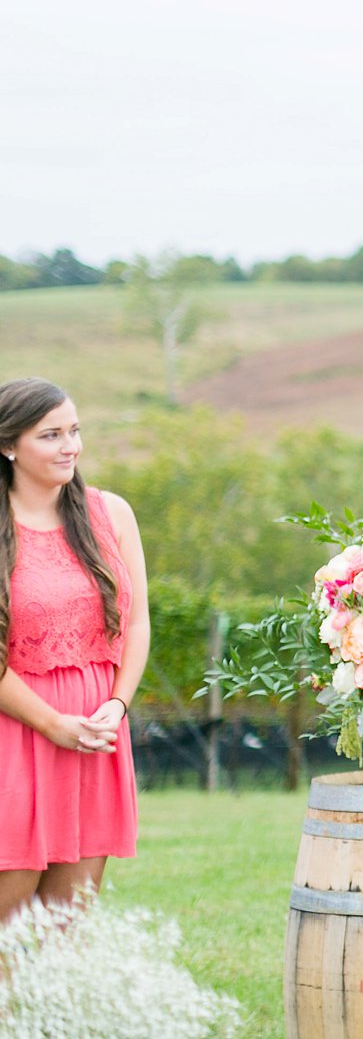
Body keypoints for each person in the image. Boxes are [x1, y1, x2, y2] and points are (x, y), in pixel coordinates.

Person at [0, 377, 152, 921]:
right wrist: (50, 723)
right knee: (7, 922)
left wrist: (117, 704)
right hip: (16, 736)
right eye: (51, 435)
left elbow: (136, 625)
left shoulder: (110, 514)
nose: (71, 446)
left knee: (69, 927)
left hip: (95, 736)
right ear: (8, 444)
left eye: (75, 430)